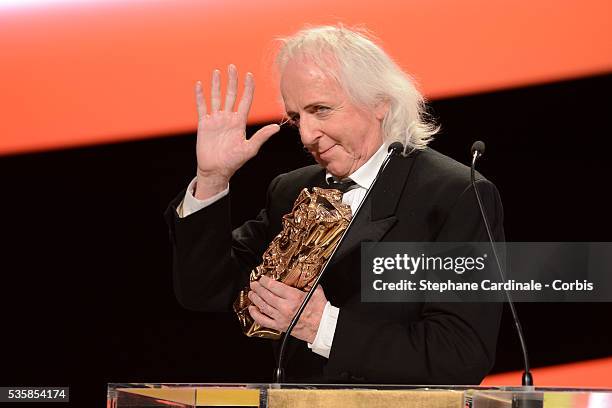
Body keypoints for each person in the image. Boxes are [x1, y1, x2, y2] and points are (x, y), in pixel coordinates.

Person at [165, 25, 504, 384]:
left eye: (321, 110)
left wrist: (321, 326)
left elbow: (460, 354)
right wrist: (212, 179)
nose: (306, 135)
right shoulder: (290, 189)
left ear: (379, 102)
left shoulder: (455, 195)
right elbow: (206, 292)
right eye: (297, 118)